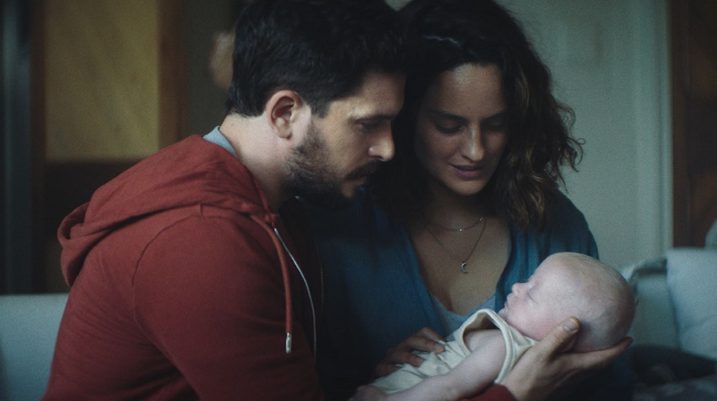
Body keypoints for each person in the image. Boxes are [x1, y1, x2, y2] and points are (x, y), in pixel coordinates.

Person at [43, 0, 404, 399]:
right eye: (368, 124)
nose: (387, 148)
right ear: (284, 113)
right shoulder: (198, 239)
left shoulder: (277, 201)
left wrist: (389, 379)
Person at [306, 0, 632, 400]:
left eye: (496, 124)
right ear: (404, 118)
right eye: (449, 125)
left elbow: (610, 384)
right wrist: (389, 379)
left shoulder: (555, 226)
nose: (476, 150)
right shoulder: (341, 229)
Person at [357, 253, 635, 401]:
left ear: (565, 334)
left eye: (532, 294)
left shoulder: (503, 346)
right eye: (529, 279)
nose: (517, 287)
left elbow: (448, 388)